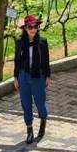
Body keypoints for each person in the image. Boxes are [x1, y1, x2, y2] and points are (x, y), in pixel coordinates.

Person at [13, 13, 51, 143]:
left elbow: (46, 60)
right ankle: (29, 130)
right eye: (30, 27)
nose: (33, 29)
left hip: (38, 76)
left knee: (40, 102)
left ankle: (43, 121)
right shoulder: (19, 42)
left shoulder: (42, 42)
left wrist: (47, 76)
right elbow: (17, 61)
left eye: (35, 27)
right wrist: (16, 77)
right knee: (26, 103)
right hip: (23, 75)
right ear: (25, 28)